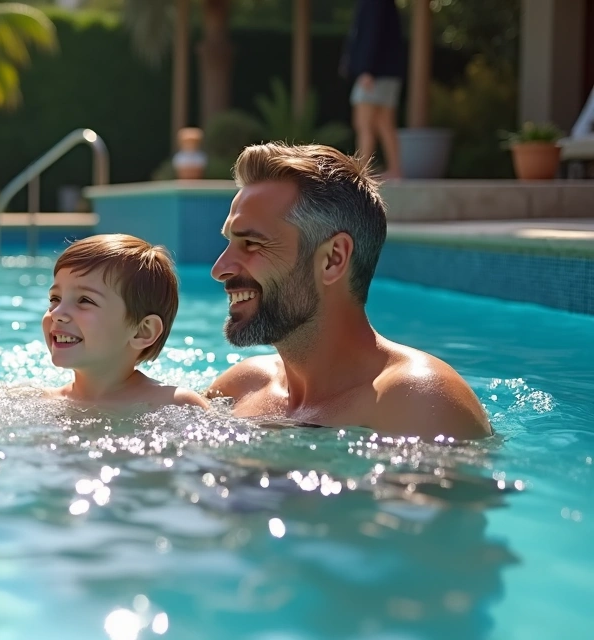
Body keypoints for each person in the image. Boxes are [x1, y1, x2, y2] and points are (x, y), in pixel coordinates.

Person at [205, 143, 491, 440]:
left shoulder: (417, 403)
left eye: (251, 244)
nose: (219, 269)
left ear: (333, 259)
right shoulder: (241, 387)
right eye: (229, 243)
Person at [43, 234, 209, 409]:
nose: (57, 313)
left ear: (143, 331)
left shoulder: (173, 404)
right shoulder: (42, 402)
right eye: (55, 298)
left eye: (85, 300)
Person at [341, 0, 406, 179]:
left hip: (374, 73)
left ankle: (360, 173)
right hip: (386, 71)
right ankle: (395, 171)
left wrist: (365, 69)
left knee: (364, 123)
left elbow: (371, 33)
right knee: (383, 123)